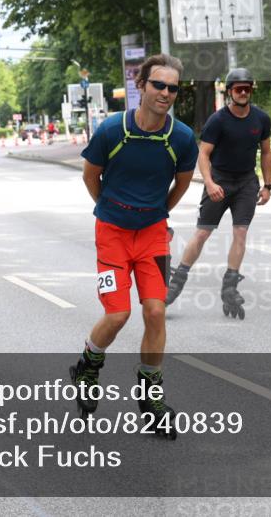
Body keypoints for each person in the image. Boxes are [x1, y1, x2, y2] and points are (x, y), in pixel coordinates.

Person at [71, 54, 198, 438]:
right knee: (118, 315)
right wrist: (110, 209)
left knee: (156, 311)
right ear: (141, 86)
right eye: (158, 85)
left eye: (172, 88)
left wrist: (157, 213)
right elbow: (90, 176)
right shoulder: (112, 130)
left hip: (152, 234)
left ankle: (150, 396)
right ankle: (88, 365)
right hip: (112, 232)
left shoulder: (182, 138)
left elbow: (181, 184)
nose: (166, 93)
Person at [166, 68, 271, 320]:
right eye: (239, 89)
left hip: (246, 182)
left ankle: (230, 286)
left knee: (240, 232)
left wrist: (267, 185)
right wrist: (210, 183)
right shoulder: (218, 120)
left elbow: (267, 152)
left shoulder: (261, 119)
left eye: (247, 88)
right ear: (230, 92)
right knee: (203, 232)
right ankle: (177, 280)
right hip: (220, 181)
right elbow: (203, 154)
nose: (243, 92)